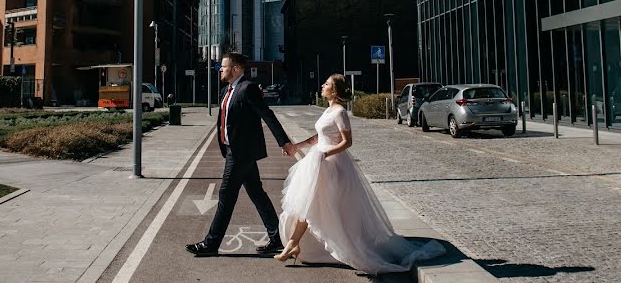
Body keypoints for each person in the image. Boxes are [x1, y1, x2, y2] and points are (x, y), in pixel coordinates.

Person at [274, 74, 445, 273]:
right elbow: (318, 137)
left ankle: (315, 245)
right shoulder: (328, 110)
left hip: (333, 166)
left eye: (327, 84)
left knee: (319, 207)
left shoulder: (340, 112)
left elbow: (347, 142)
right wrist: (297, 146)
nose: (322, 85)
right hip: (318, 163)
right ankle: (293, 244)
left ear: (335, 90)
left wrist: (325, 153)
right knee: (308, 204)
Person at [185, 52, 297, 257]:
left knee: (226, 196)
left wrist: (284, 141)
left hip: (240, 153)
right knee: (257, 194)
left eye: (224, 66)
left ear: (236, 69)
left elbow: (267, 115)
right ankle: (277, 238)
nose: (220, 69)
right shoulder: (225, 91)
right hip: (232, 150)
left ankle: (211, 244)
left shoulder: (248, 89)